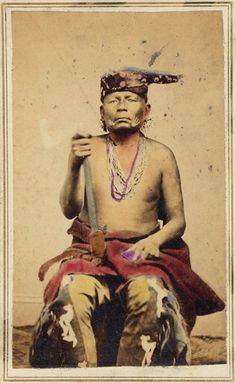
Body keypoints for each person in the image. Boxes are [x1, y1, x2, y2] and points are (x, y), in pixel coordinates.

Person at [30, 68, 225, 368]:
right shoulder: (88, 149)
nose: (121, 105)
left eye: (130, 98)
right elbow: (69, 210)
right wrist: (72, 166)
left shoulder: (162, 155)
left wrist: (155, 240)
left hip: (141, 254)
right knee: (69, 291)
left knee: (152, 296)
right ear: (101, 110)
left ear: (146, 110)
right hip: (92, 255)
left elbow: (177, 220)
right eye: (114, 99)